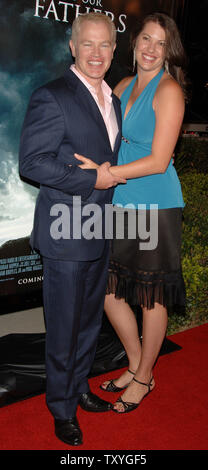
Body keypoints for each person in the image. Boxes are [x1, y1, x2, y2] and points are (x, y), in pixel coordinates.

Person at [19, 13, 126, 446]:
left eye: (105, 45)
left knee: (86, 323)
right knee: (63, 325)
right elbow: (33, 163)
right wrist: (91, 179)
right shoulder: (52, 96)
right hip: (66, 233)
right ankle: (61, 408)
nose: (97, 54)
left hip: (100, 226)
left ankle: (78, 387)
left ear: (115, 50)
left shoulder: (113, 100)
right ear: (73, 47)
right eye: (88, 45)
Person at [75, 12, 187, 414]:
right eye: (145, 40)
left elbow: (159, 160)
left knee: (150, 296)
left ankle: (142, 377)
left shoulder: (168, 90)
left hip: (155, 205)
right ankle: (139, 362)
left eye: (160, 43)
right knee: (109, 289)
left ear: (167, 50)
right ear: (134, 43)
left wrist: (107, 175)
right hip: (121, 203)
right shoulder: (122, 85)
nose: (151, 49)